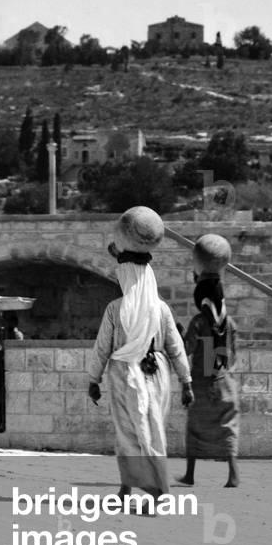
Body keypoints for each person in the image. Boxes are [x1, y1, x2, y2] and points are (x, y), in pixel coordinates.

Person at [87, 207, 193, 504]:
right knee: (152, 428)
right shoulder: (160, 309)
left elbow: (102, 347)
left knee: (128, 432)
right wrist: (186, 381)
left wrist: (93, 379)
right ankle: (136, 487)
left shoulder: (116, 308)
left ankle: (146, 488)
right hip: (157, 373)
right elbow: (176, 347)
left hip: (123, 372)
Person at [178, 233, 240, 489]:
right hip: (225, 383)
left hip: (202, 383)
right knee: (228, 429)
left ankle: (190, 475)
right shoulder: (230, 323)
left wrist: (180, 336)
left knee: (195, 429)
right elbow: (232, 355)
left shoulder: (199, 322)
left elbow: (188, 349)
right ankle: (233, 475)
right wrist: (221, 374)